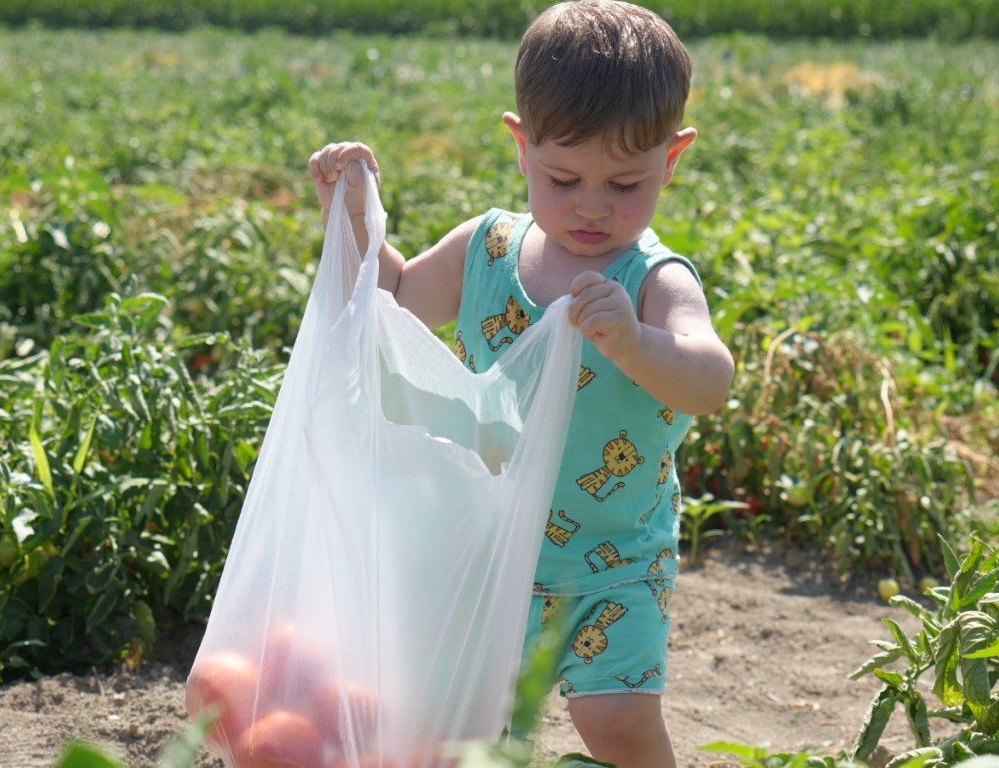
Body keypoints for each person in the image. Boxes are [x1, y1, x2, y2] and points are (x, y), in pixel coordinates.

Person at [308, 1, 734, 765]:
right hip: (486, 548)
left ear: (672, 160)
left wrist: (635, 342)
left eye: (627, 183)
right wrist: (349, 214)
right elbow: (390, 300)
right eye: (563, 178)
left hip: (614, 560)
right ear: (520, 145)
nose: (593, 206)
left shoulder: (652, 279)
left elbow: (709, 379)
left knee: (615, 722)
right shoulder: (486, 249)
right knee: (468, 731)